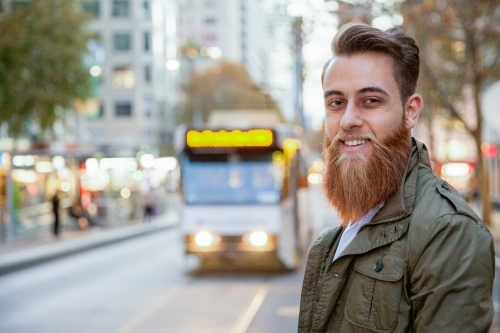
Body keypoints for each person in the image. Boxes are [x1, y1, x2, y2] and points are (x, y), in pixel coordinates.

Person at [298, 22, 494, 333]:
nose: (348, 120)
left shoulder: (448, 232)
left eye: (370, 101)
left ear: (410, 111)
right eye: (336, 103)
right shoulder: (330, 240)